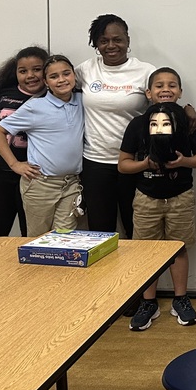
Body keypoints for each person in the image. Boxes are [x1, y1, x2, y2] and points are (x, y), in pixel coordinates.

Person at [119, 68, 196, 331]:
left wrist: (183, 161)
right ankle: (149, 302)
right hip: (146, 197)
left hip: (180, 195)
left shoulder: (189, 121)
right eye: (158, 85)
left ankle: (181, 298)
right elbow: (123, 165)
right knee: (147, 253)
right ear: (148, 92)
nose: (165, 89)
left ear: (180, 92)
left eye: (172, 85)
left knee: (178, 248)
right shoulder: (137, 124)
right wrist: (145, 163)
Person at [75, 14, 156, 238]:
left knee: (137, 231)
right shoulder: (85, 70)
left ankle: (137, 275)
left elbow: (166, 100)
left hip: (135, 164)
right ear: (96, 44)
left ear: (128, 40)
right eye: (103, 40)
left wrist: (187, 108)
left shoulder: (146, 71)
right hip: (96, 163)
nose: (111, 46)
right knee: (100, 233)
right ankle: (104, 275)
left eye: (117, 39)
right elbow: (56, 89)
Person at [0, 55, 85, 237]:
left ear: (74, 75)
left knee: (64, 239)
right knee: (38, 240)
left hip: (71, 184)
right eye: (54, 76)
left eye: (66, 74)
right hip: (41, 185)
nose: (62, 79)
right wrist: (14, 164)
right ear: (46, 82)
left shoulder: (82, 101)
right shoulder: (36, 107)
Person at [0, 45, 49, 239]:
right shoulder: (5, 94)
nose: (30, 75)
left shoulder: (51, 97)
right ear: (15, 72)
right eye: (23, 71)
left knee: (32, 236)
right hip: (3, 173)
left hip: (33, 176)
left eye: (37, 69)